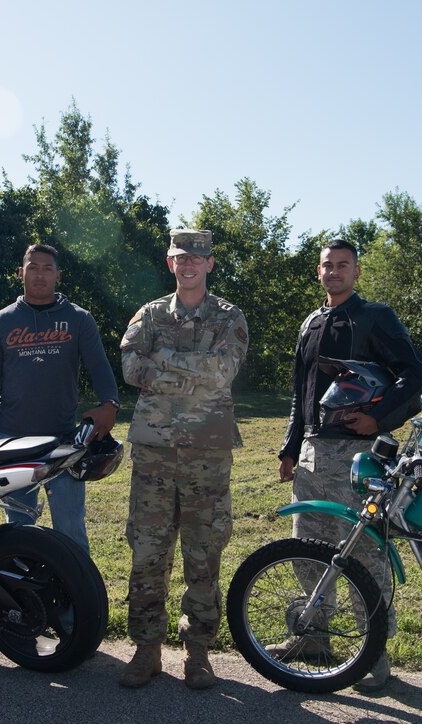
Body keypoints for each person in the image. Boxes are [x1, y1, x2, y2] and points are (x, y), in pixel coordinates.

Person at [274, 238, 422, 691]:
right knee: (307, 546)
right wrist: (290, 447)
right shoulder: (312, 321)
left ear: (356, 272)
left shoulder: (375, 317)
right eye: (327, 265)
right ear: (318, 272)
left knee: (363, 555)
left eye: (343, 265)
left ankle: (374, 654)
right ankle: (314, 639)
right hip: (312, 454)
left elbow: (415, 375)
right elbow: (300, 393)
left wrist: (378, 418)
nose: (334, 271)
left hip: (360, 458)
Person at [118, 228, 248, 690]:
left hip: (207, 455)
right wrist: (191, 370)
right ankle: (146, 650)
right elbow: (132, 367)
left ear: (209, 263)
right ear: (170, 263)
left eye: (197, 258)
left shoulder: (230, 316)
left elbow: (223, 371)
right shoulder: (150, 314)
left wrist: (166, 360)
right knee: (148, 552)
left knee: (203, 553)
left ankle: (198, 654)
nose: (188, 264)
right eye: (180, 257)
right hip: (154, 453)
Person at [0, 243, 119, 554]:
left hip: (65, 441)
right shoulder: (2, 322)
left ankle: (79, 598)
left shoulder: (78, 319)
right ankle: (27, 596)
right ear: (20, 273)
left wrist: (110, 403)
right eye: (33, 267)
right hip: (13, 441)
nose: (40, 274)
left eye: (47, 268)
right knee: (19, 530)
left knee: (70, 528)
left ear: (58, 275)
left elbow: (100, 368)